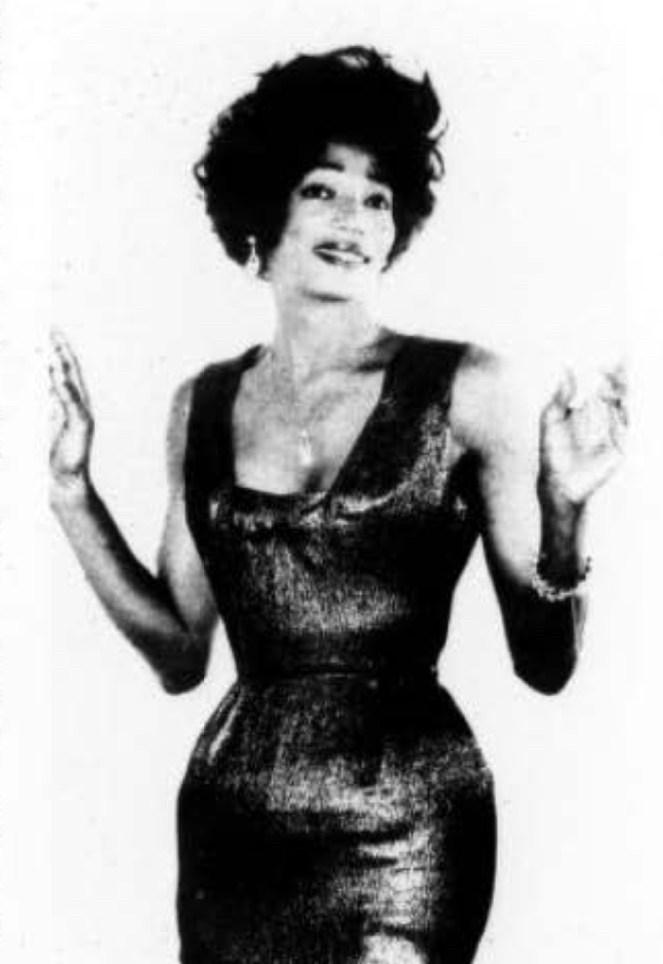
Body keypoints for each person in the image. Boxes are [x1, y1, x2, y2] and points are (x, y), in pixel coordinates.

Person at [49, 46, 627, 964]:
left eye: (378, 199)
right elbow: (178, 654)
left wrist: (563, 508)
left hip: (408, 826)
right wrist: (72, 495)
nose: (355, 220)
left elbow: (545, 665)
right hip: (234, 827)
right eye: (323, 189)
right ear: (262, 208)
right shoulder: (200, 404)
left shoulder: (468, 388)